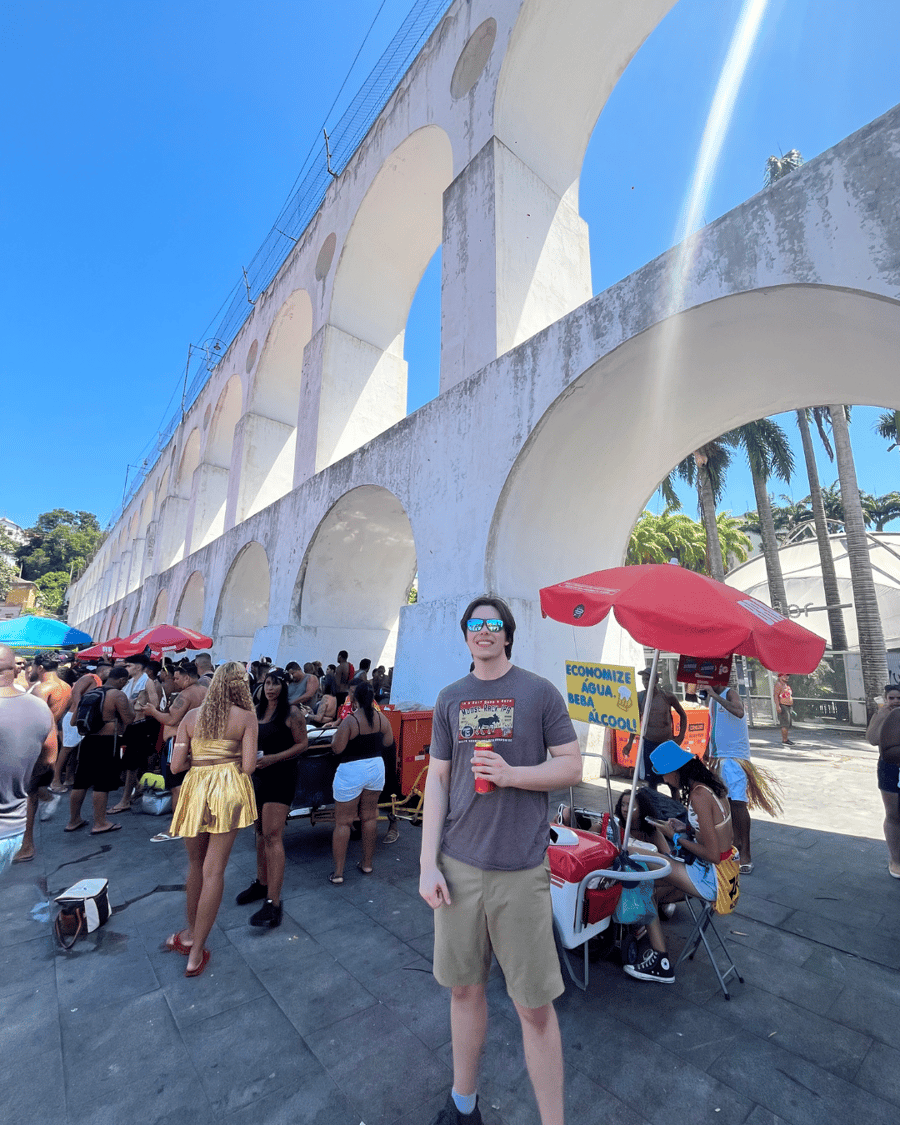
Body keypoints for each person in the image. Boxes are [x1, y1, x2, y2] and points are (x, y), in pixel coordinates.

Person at [419, 596, 581, 1125]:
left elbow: (571, 767)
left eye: (493, 624)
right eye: (474, 625)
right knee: (464, 989)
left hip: (520, 871)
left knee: (534, 1006)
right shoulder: (450, 699)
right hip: (459, 866)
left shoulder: (538, 693)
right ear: (466, 635)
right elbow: (438, 781)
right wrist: (427, 863)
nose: (484, 632)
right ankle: (463, 1103)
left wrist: (513, 775)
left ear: (507, 634)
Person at [166, 662, 258, 976]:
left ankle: (190, 935)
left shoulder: (190, 717)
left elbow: (176, 766)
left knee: (195, 865)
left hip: (195, 787)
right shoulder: (246, 717)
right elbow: (248, 766)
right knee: (214, 870)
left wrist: (201, 758)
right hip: (229, 788)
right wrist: (227, 758)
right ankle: (196, 953)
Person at [622, 740, 737, 984]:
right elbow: (717, 836)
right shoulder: (710, 788)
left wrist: (675, 836)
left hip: (710, 877)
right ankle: (651, 939)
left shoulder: (698, 796)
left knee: (637, 858)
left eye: (664, 774)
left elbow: (713, 854)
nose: (663, 780)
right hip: (721, 872)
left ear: (675, 770)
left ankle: (661, 963)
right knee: (650, 883)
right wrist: (684, 827)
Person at [236, 670, 307, 926]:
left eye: (276, 684)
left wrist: (273, 759)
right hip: (258, 778)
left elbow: (303, 744)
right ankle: (261, 883)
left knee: (273, 835)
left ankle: (274, 903)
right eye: (268, 683)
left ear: (285, 687)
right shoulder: (256, 710)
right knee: (258, 832)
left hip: (282, 778)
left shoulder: (292, 713)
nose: (271, 688)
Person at [327, 680, 393, 883]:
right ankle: (367, 864)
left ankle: (338, 873)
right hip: (375, 768)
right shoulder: (382, 719)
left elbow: (336, 748)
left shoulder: (350, 721)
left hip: (351, 770)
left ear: (354, 698)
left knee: (343, 822)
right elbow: (388, 742)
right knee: (369, 818)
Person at [1, 645, 56, 870]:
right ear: (15, 671)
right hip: (14, 826)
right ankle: (27, 846)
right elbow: (48, 760)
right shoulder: (40, 708)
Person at [65, 664, 134, 835]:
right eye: (125, 681)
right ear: (122, 680)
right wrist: (131, 707)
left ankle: (74, 820)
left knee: (81, 782)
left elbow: (74, 721)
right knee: (102, 783)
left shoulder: (90, 694)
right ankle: (100, 822)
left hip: (88, 741)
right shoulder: (117, 695)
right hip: (108, 742)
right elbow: (129, 719)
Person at [142, 660, 207, 826]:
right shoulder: (206, 691)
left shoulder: (185, 695)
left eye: (177, 678)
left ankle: (177, 825)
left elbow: (171, 719)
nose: (175, 681)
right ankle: (194, 820)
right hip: (198, 741)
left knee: (176, 784)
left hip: (180, 742)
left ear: (186, 678)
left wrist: (153, 711)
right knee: (192, 782)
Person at [706, 680, 754, 874]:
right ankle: (733, 845)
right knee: (724, 804)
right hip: (718, 758)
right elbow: (716, 726)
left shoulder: (729, 693)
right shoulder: (711, 699)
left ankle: (746, 854)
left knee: (738, 804)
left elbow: (739, 712)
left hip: (735, 759)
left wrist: (715, 695)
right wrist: (708, 749)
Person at [109, 653, 161, 813]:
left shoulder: (148, 681)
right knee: (125, 765)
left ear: (138, 666)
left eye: (128, 665)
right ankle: (137, 788)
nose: (126, 668)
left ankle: (125, 800)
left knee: (131, 764)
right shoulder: (130, 682)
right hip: (130, 726)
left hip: (141, 726)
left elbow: (155, 704)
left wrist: (139, 705)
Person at [623, 667, 687, 796]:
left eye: (648, 679)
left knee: (673, 783)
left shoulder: (668, 697)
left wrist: (680, 736)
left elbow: (683, 715)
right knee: (651, 781)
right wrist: (629, 743)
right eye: (643, 680)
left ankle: (677, 808)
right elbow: (635, 721)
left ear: (656, 680)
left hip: (666, 745)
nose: (645, 682)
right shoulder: (640, 697)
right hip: (649, 744)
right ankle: (655, 808)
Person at [868, 684, 900, 879]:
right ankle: (896, 859)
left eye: (899, 698)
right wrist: (881, 717)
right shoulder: (881, 715)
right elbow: (872, 739)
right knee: (893, 814)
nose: (896, 701)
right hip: (889, 768)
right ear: (885, 699)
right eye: (892, 698)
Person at [774, 674, 796, 745]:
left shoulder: (786, 685)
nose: (787, 677)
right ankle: (785, 740)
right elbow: (776, 696)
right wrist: (778, 706)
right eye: (784, 676)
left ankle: (786, 738)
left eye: (787, 676)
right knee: (785, 724)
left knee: (788, 724)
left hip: (788, 706)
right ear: (780, 677)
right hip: (783, 706)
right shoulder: (778, 685)